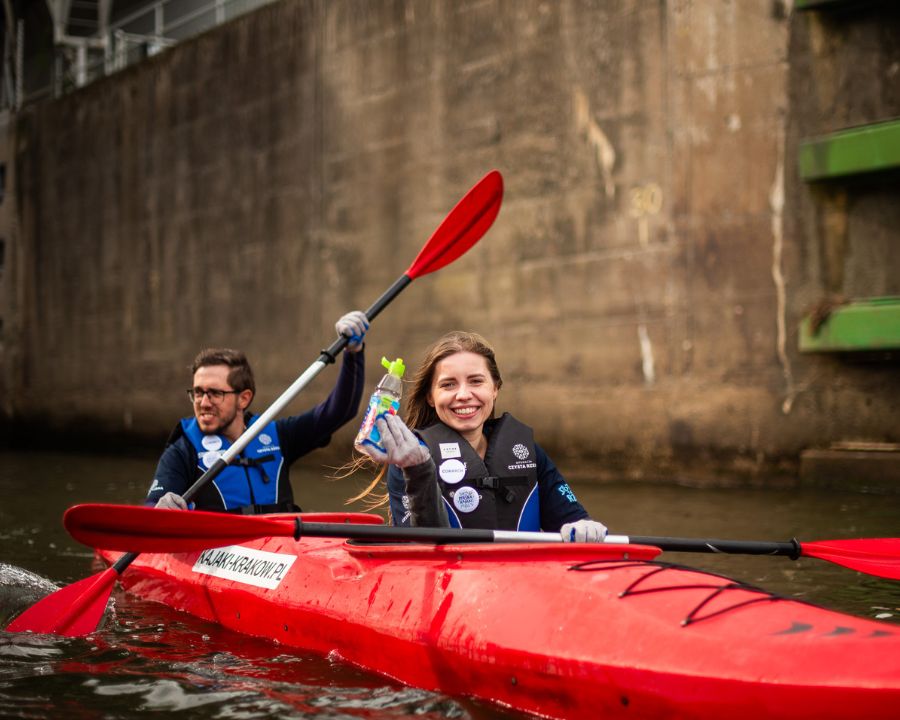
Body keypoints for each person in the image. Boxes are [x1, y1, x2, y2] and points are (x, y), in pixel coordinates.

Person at [356, 331, 608, 542]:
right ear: (431, 397)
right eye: (448, 384)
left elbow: (574, 519)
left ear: (495, 388)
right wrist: (418, 470)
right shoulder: (410, 460)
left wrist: (585, 528)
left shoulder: (526, 451)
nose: (463, 394)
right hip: (453, 588)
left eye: (476, 381)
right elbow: (423, 550)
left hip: (525, 585)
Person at [147, 311, 369, 514]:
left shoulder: (277, 435)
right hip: (217, 552)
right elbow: (151, 509)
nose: (203, 402)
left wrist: (353, 354)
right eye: (198, 392)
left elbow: (339, 411)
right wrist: (160, 508)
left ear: (243, 398)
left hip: (281, 549)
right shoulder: (182, 451)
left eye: (214, 393)